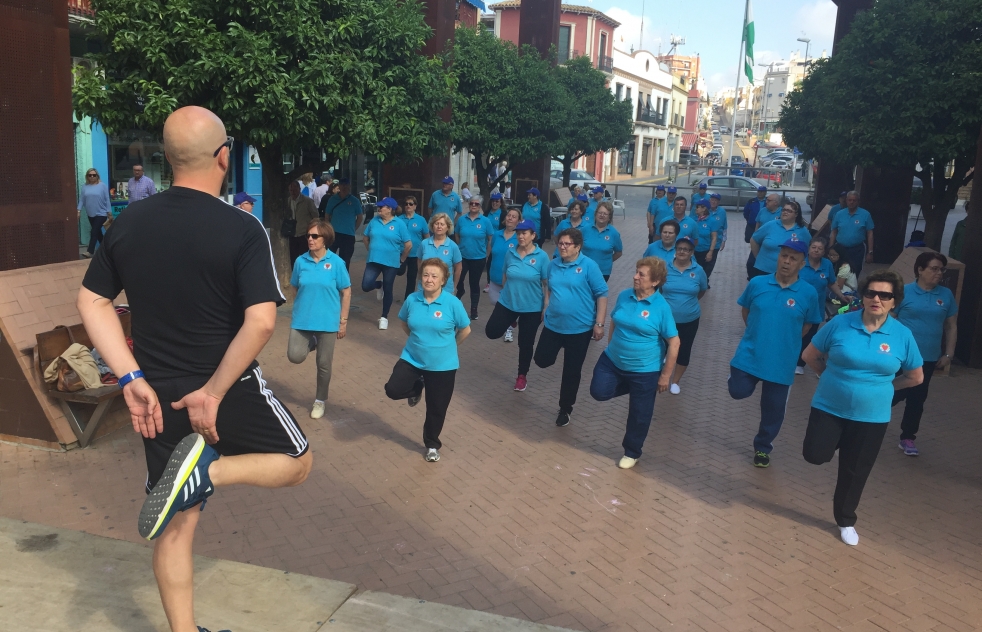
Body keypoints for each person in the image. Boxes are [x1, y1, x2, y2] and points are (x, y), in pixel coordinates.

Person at [77, 106, 311, 632]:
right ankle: (209, 472)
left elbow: (91, 302)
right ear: (224, 156)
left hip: (157, 396)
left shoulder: (128, 221)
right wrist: (214, 391)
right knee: (297, 462)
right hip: (222, 389)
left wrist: (130, 377)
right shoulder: (242, 228)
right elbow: (261, 323)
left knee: (176, 529)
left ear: (167, 158)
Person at [801, 270, 923, 546]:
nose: (876, 299)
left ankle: (845, 521)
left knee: (855, 471)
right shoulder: (841, 324)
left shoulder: (902, 335)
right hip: (830, 406)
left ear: (895, 301)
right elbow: (810, 355)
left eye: (885, 295)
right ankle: (838, 441)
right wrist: (828, 376)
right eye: (871, 293)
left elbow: (916, 376)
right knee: (815, 455)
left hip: (872, 416)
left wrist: (888, 387)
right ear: (863, 296)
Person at [729, 239, 822, 468]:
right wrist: (758, 332)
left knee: (773, 409)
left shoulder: (808, 292)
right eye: (784, 256)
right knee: (737, 391)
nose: (787, 262)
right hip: (750, 353)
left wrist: (784, 339)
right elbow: (746, 310)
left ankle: (763, 447)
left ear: (801, 264)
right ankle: (740, 378)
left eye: (793, 258)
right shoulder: (758, 283)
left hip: (782, 361)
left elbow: (809, 325)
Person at [590, 257, 679, 468]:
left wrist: (665, 376)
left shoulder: (661, 307)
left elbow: (674, 343)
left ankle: (632, 451)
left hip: (645, 370)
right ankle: (635, 389)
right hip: (613, 361)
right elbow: (615, 320)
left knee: (640, 414)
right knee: (598, 391)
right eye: (636, 271)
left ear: (655, 281)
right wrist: (611, 346)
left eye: (641, 274)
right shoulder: (624, 296)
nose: (635, 277)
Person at [385, 258, 471, 462]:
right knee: (392, 390)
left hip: (443, 366)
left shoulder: (452, 303)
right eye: (425, 275)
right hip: (412, 358)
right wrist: (417, 343)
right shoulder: (412, 300)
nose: (429, 279)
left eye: (434, 276)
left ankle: (432, 444)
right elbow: (405, 323)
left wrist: (449, 346)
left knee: (436, 408)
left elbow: (465, 330)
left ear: (443, 280)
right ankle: (417, 388)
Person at [534, 228, 608, 427]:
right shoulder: (553, 265)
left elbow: (602, 294)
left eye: (567, 244)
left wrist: (599, 324)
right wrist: (546, 306)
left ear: (578, 246)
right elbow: (550, 288)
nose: (562, 247)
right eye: (560, 243)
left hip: (579, 328)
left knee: (571, 371)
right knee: (541, 359)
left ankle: (565, 409)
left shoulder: (589, 266)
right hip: (553, 324)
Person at [891, 252, 958, 456]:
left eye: (941, 269)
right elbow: (890, 320)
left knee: (917, 399)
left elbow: (951, 326)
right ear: (920, 269)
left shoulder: (945, 295)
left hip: (928, 357)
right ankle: (865, 425)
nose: (939, 273)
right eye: (934, 268)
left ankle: (908, 437)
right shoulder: (904, 292)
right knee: (891, 393)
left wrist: (948, 354)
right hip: (901, 357)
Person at [288, 219, 351, 419]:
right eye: (308, 235)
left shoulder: (336, 263)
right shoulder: (300, 261)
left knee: (323, 364)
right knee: (294, 355)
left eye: (315, 236)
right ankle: (312, 341)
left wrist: (343, 321)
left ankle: (320, 400)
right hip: (302, 319)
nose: (310, 239)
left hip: (327, 322)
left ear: (325, 239)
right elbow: (295, 286)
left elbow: (346, 291)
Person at [485, 220, 549, 391]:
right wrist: (506, 293)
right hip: (508, 302)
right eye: (518, 233)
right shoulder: (510, 253)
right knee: (491, 331)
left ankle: (522, 376)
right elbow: (505, 274)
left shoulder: (542, 257)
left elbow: (546, 283)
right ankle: (512, 320)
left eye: (524, 233)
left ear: (533, 235)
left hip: (532, 307)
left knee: (525, 343)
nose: (520, 236)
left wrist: (546, 306)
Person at [661, 237, 707, 395]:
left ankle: (675, 381)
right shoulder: (665, 268)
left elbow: (702, 290)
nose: (682, 251)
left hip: (689, 319)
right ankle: (661, 375)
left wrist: (687, 303)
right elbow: (658, 289)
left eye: (686, 249)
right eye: (679, 248)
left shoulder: (698, 270)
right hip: (666, 319)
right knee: (661, 347)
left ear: (692, 253)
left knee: (684, 349)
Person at [796, 237, 849, 375]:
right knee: (794, 333)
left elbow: (831, 283)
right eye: (813, 247)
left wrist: (841, 296)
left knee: (809, 336)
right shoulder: (800, 262)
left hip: (816, 309)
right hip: (797, 307)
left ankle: (800, 363)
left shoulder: (827, 265)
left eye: (820, 248)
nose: (816, 250)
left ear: (824, 251)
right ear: (808, 248)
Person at [362, 197, 412, 330]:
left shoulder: (399, 224)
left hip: (391, 262)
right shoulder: (374, 221)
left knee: (389, 288)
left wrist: (402, 259)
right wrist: (371, 250)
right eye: (378, 207)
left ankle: (384, 316)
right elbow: (365, 238)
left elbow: (408, 245)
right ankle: (379, 285)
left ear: (390, 209)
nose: (378, 209)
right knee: (366, 285)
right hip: (374, 259)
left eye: (381, 207)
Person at [455, 195, 494, 318]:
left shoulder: (485, 221)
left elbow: (490, 238)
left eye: (476, 204)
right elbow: (456, 233)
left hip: (478, 258)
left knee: (474, 283)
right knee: (459, 279)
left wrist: (487, 254)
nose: (473, 205)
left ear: (480, 206)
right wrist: (459, 245)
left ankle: (474, 309)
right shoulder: (462, 220)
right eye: (471, 203)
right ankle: (460, 292)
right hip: (462, 257)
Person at [487, 208, 521, 331]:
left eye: (514, 216)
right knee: (494, 301)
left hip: (510, 279)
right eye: (508, 215)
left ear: (518, 221)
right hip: (495, 276)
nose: (510, 218)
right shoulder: (497, 234)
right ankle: (510, 321)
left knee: (507, 304)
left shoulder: (519, 237)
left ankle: (509, 328)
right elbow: (492, 250)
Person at [829, 191, 875, 277]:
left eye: (854, 200)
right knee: (837, 272)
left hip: (857, 249)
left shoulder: (865, 214)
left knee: (854, 272)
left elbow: (870, 233)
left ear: (858, 201)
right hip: (840, 248)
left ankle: (852, 290)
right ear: (846, 200)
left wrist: (870, 252)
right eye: (849, 200)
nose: (851, 202)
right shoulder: (839, 214)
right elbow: (834, 231)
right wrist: (831, 248)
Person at [322, 178, 364, 269]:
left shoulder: (355, 201)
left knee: (345, 261)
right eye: (342, 185)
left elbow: (360, 217)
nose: (344, 187)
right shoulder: (332, 199)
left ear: (349, 186)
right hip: (334, 233)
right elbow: (327, 215)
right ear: (339, 186)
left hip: (348, 235)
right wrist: (328, 229)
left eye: (346, 185)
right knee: (328, 257)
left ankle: (343, 282)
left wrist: (354, 228)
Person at [581, 202, 623, 282]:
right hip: (584, 269)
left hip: (603, 272)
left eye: (605, 214)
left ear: (609, 217)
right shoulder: (585, 230)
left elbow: (618, 252)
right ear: (596, 214)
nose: (602, 215)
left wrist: (607, 261)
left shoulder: (614, 233)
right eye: (600, 212)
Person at [420, 213, 463, 288]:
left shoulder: (453, 246)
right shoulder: (424, 243)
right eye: (436, 224)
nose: (439, 226)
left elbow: (458, 268)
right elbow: (419, 263)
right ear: (432, 226)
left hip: (445, 289)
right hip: (425, 287)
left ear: (448, 227)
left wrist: (454, 286)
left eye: (442, 224)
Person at [398, 195, 429, 300]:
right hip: (401, 252)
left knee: (411, 277)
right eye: (406, 204)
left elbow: (426, 236)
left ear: (415, 206)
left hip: (415, 254)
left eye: (411, 204)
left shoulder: (421, 220)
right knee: (397, 271)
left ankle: (408, 299)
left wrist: (426, 251)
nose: (408, 206)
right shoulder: (399, 219)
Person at [78, 167, 111, 258]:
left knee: (94, 231)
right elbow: (82, 200)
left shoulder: (102, 186)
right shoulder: (85, 186)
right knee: (98, 233)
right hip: (90, 214)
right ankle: (107, 249)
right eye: (90, 175)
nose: (92, 177)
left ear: (97, 176)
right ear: (87, 176)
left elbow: (107, 199)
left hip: (101, 213)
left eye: (94, 175)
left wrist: (109, 212)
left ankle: (90, 251)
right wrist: (78, 210)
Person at [287, 181, 320, 267]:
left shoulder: (307, 201)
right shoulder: (288, 201)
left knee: (305, 257)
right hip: (292, 234)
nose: (293, 192)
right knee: (293, 258)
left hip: (304, 234)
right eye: (291, 190)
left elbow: (316, 217)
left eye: (295, 190)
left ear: (299, 189)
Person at [692, 200, 721, 281]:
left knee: (703, 272)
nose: (696, 209)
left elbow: (714, 237)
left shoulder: (712, 221)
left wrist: (710, 252)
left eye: (698, 207)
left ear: (704, 209)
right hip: (693, 251)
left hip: (705, 250)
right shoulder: (693, 219)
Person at [709, 192, 728, 257]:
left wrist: (724, 241)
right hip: (705, 242)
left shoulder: (722, 212)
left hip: (716, 242)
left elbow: (724, 227)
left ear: (718, 202)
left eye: (715, 200)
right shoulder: (705, 210)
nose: (713, 202)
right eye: (712, 200)